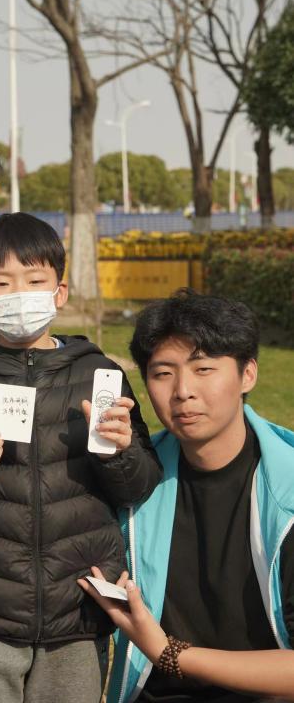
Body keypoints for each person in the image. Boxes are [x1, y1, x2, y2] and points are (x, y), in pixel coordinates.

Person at [0, 213, 162, 703]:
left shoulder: (100, 376)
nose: (19, 294)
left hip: (78, 606)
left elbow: (139, 485)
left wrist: (120, 452)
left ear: (59, 292)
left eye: (34, 280)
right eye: (1, 283)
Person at [79, 289, 294, 703]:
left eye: (204, 369)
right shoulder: (132, 482)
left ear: (248, 374)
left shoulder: (287, 493)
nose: (183, 391)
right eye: (163, 373)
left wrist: (170, 653)